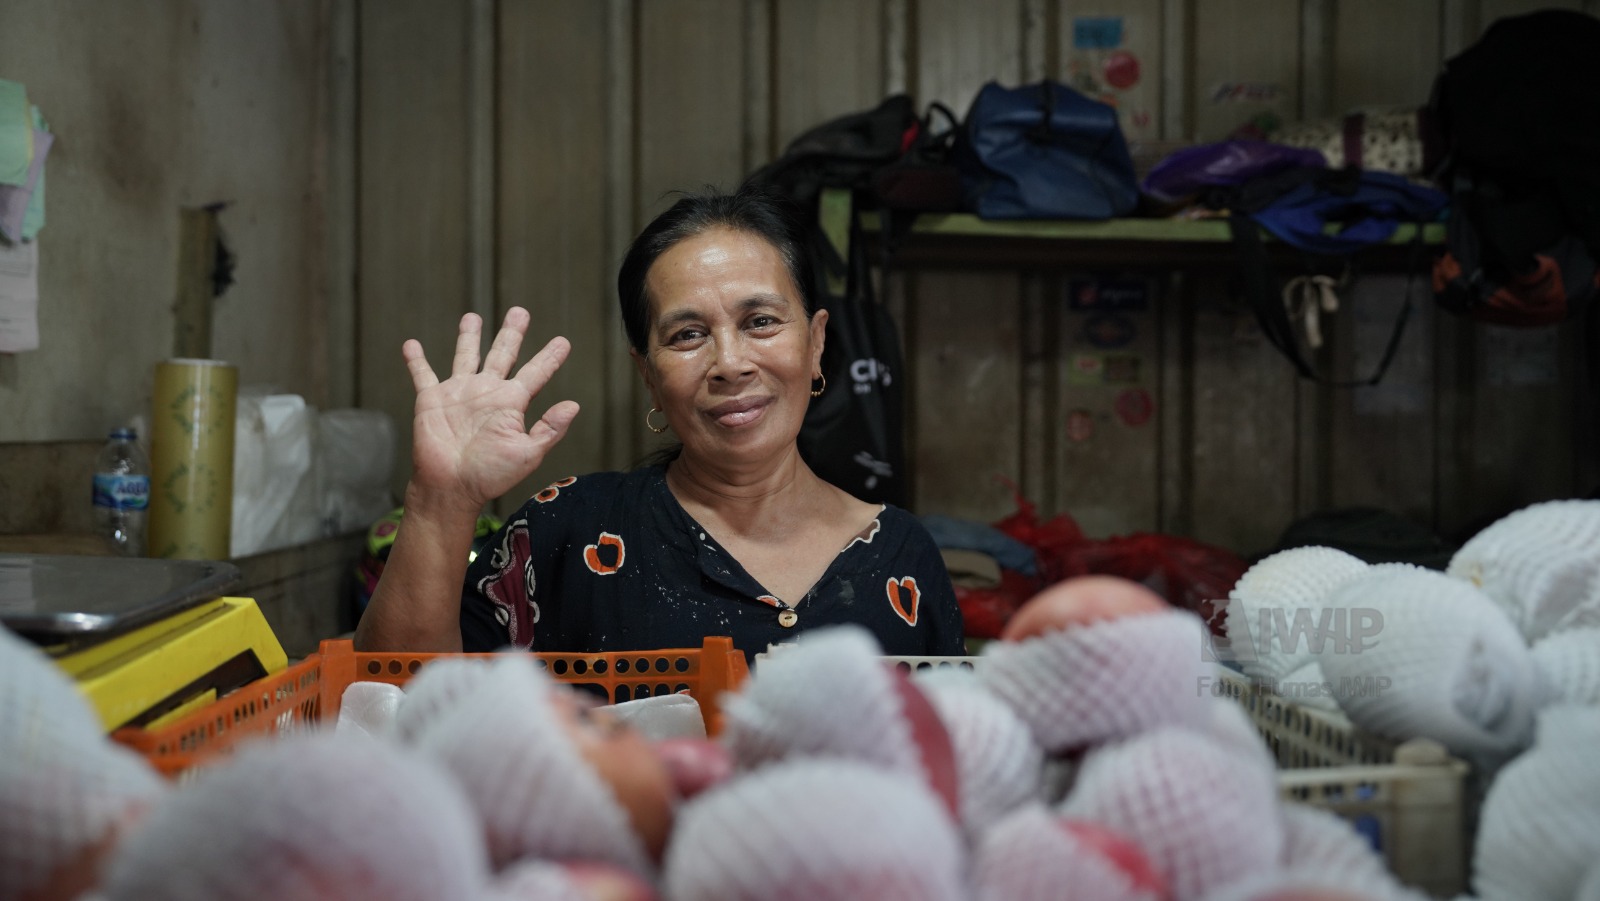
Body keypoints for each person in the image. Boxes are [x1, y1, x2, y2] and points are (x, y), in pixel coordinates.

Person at [354, 185, 964, 661]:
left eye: (760, 322)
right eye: (687, 335)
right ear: (647, 372)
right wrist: (441, 500)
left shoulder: (901, 558)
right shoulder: (568, 530)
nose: (729, 364)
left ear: (816, 342)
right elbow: (396, 704)